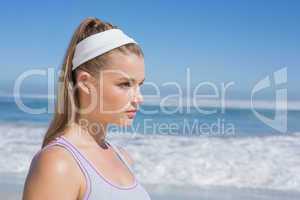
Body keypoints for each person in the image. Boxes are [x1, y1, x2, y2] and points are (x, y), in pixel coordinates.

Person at [22, 17, 151, 200]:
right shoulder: (59, 164)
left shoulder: (123, 158)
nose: (139, 98)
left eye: (140, 85)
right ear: (84, 82)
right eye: (124, 84)